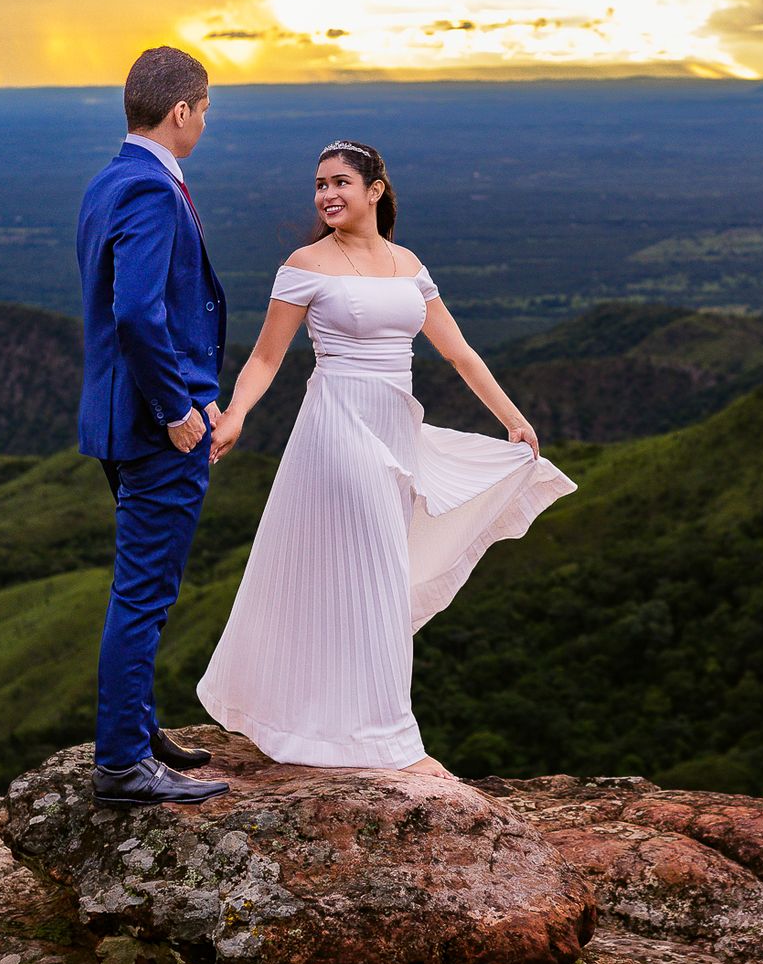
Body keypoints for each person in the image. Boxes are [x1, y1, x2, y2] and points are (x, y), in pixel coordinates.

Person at [196, 139, 576, 777]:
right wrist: (236, 414)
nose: (327, 195)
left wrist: (512, 419)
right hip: (337, 426)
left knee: (373, 572)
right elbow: (265, 357)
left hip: (396, 425)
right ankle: (387, 736)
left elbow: (458, 352)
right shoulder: (306, 263)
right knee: (375, 568)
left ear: (376, 189)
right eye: (319, 185)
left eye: (340, 182)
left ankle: (341, 725)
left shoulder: (408, 264)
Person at [76, 46, 232, 807]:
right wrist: (179, 410)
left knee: (140, 586)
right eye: (204, 110)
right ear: (181, 112)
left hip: (115, 418)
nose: (205, 121)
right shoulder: (151, 190)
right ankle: (121, 766)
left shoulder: (109, 178)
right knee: (144, 593)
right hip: (153, 425)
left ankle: (137, 730)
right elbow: (136, 312)